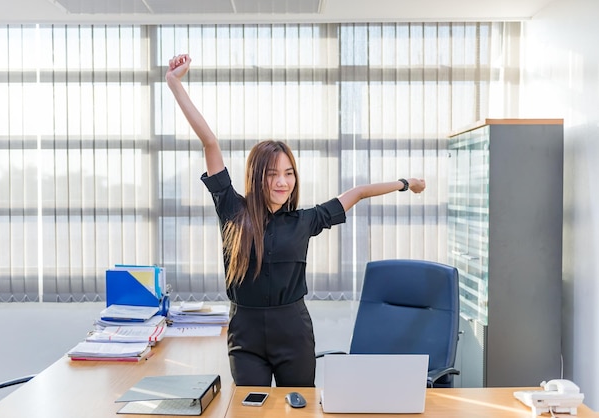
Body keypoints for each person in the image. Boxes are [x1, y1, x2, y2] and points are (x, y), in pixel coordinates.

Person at [166, 53, 426, 387]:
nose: (282, 182)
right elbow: (210, 141)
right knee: (253, 410)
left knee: (299, 407)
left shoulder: (306, 220)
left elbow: (358, 192)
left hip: (293, 332)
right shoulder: (233, 210)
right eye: (272, 173)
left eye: (288, 173)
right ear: (257, 176)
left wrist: (407, 183)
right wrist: (174, 82)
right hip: (245, 336)